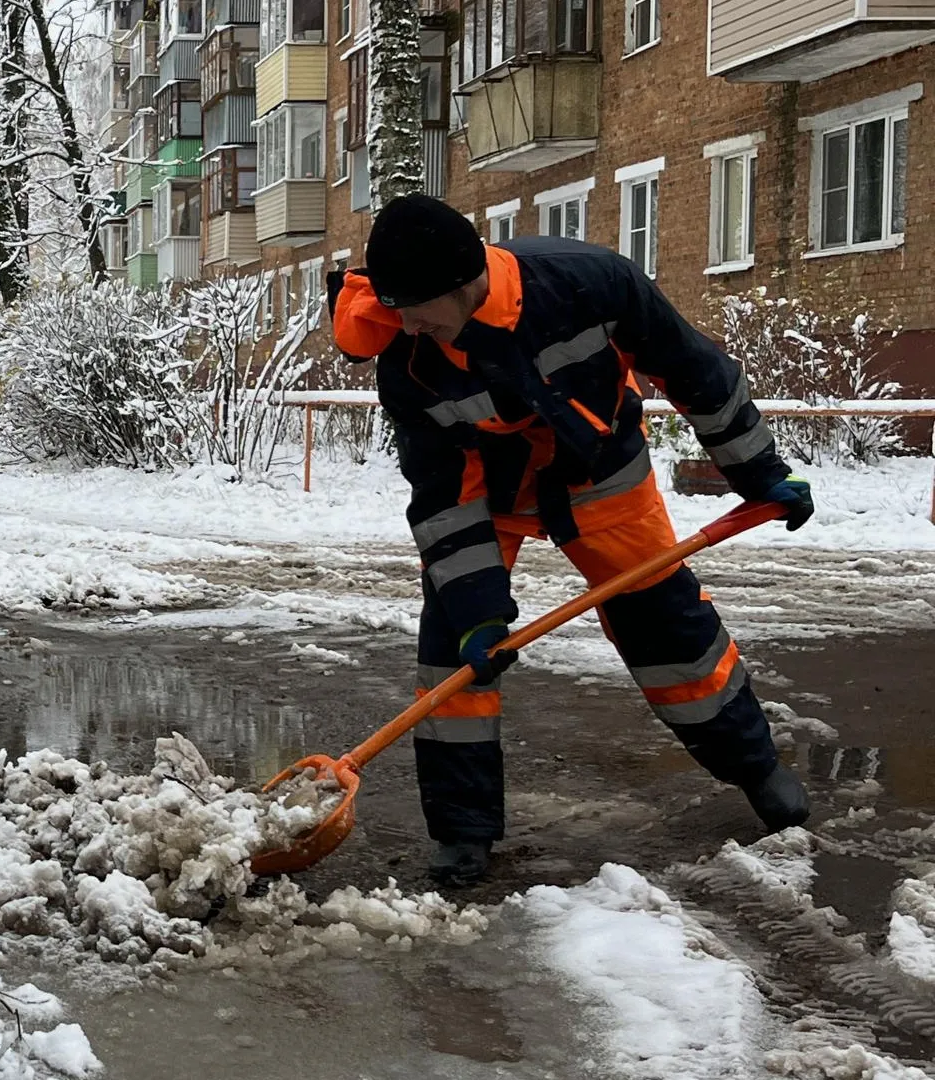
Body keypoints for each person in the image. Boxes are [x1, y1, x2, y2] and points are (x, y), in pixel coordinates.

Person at [326, 193, 814, 887]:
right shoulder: (409, 360)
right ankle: (463, 833)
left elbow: (695, 371)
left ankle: (755, 767)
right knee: (453, 655)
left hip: (600, 470)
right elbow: (441, 491)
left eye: (417, 308)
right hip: (487, 496)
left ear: (464, 285)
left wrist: (761, 472)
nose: (406, 324)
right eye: (396, 309)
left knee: (667, 624)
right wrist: (478, 612)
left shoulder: (589, 282)